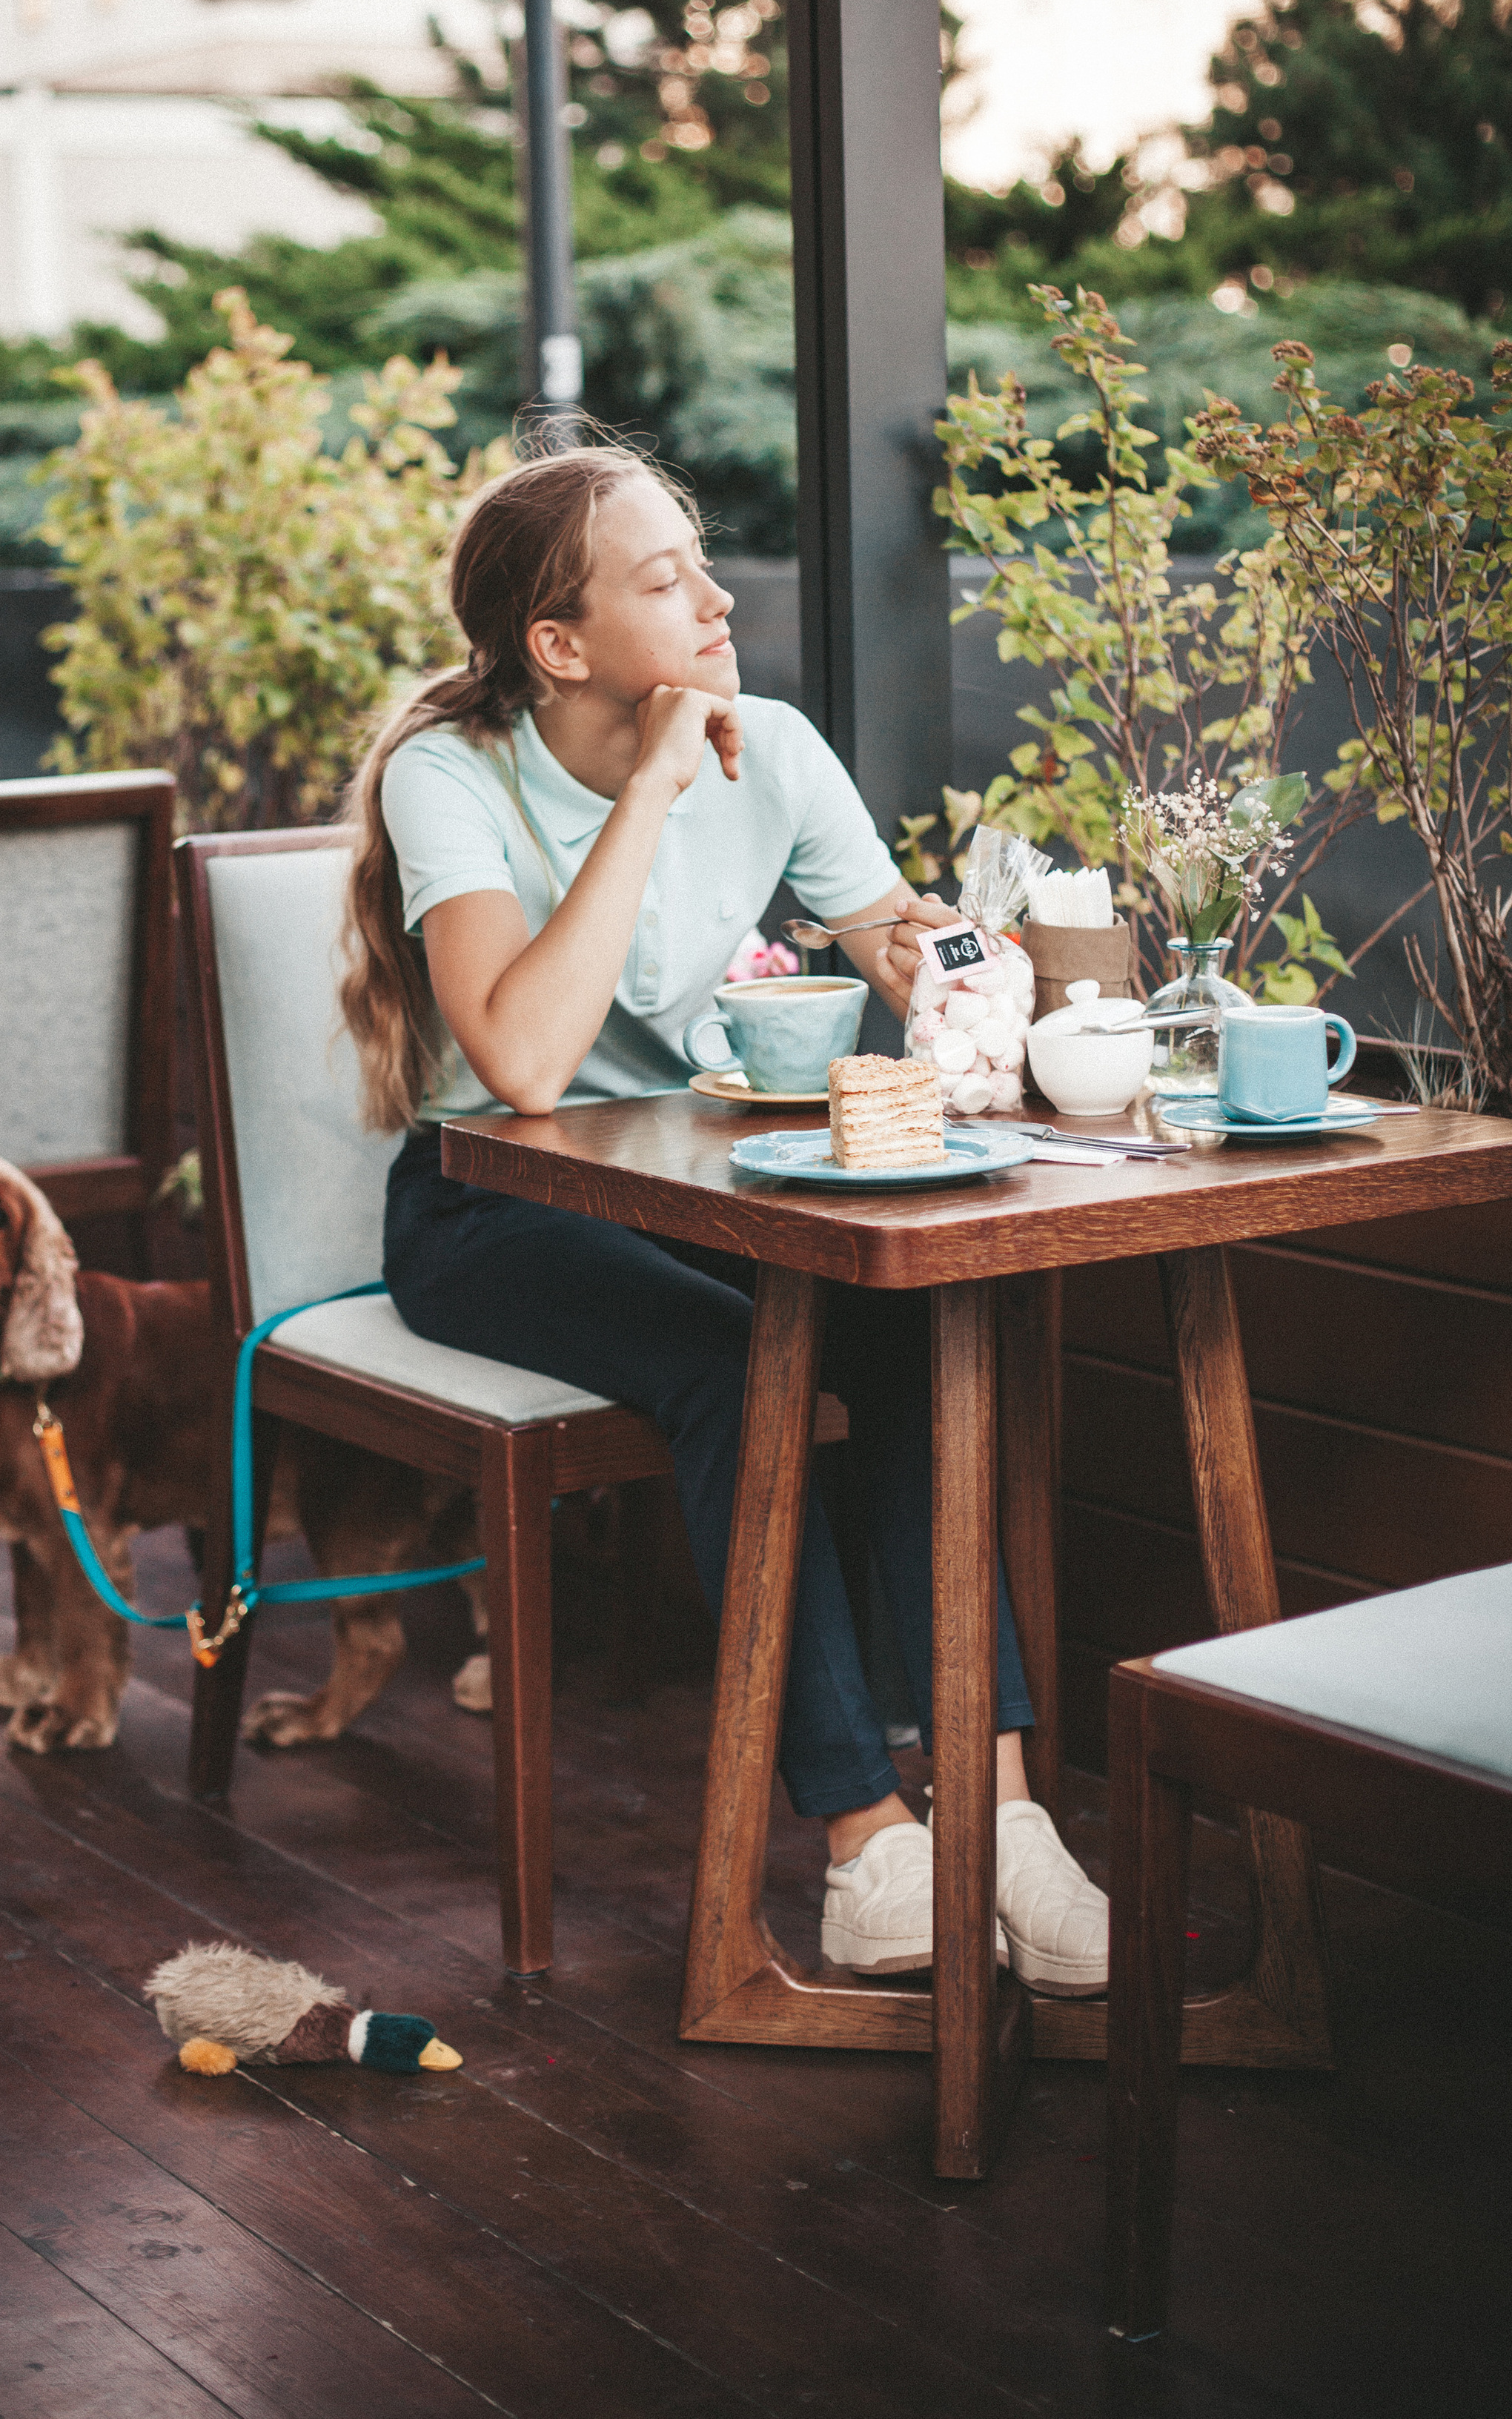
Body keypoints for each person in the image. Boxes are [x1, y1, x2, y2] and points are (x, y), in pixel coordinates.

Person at [340, 443, 1107, 1991]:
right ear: (557, 647)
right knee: (721, 1362)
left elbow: (893, 932)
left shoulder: (778, 744)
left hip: (688, 1182)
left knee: (891, 1328)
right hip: (484, 1201)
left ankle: (1003, 1808)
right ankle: (862, 1846)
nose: (710, 597)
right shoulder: (453, 774)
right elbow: (525, 1060)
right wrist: (654, 789)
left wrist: (952, 970)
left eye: (699, 559)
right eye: (658, 578)